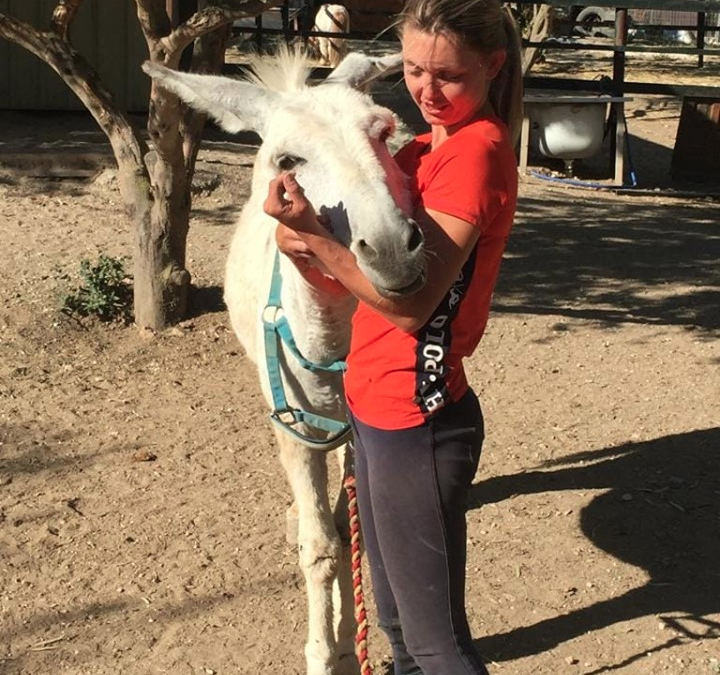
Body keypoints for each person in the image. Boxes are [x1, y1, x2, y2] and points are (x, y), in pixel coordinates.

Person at [263, 1, 523, 673]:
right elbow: (350, 283)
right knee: (402, 632)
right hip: (377, 409)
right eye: (411, 70)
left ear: (493, 66)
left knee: (437, 646)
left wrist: (320, 240)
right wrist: (301, 246)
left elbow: (410, 308)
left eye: (448, 76)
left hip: (418, 419)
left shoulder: (475, 153)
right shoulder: (424, 146)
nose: (427, 92)